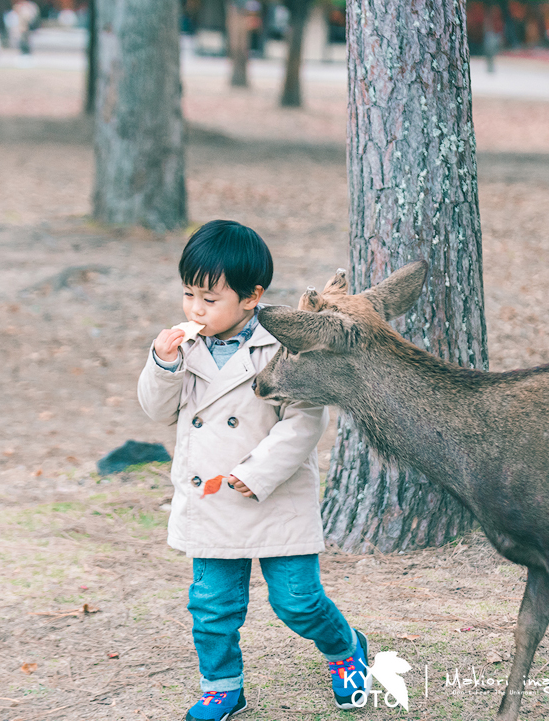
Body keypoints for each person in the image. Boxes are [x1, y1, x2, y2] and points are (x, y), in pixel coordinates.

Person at [138, 221, 371, 721]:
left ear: (251, 297)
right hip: (211, 503)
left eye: (209, 298)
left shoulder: (285, 342)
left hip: (275, 498)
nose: (195, 309)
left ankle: (347, 648)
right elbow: (158, 411)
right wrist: (162, 363)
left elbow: (304, 421)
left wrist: (259, 473)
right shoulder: (185, 349)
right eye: (188, 294)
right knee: (212, 609)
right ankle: (222, 686)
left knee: (299, 602)